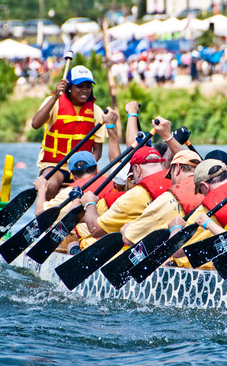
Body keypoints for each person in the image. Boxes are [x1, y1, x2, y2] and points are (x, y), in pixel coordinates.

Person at [31, 65, 114, 200]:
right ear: (69, 87)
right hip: (55, 166)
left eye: (88, 86)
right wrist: (54, 97)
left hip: (83, 167)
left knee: (104, 187)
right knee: (50, 185)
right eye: (80, 86)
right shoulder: (54, 102)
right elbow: (35, 124)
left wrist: (85, 167)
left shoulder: (96, 111)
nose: (85, 90)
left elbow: (97, 151)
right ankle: (46, 216)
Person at [81, 144, 171, 239]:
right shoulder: (174, 183)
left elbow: (95, 230)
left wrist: (89, 204)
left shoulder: (133, 196)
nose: (133, 180)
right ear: (162, 165)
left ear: (138, 169)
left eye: (132, 175)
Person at [33, 151, 113, 254]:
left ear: (72, 175)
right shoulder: (114, 184)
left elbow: (40, 215)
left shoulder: (70, 192)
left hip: (92, 243)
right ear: (96, 168)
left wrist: (42, 189)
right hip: (114, 239)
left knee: (59, 226)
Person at [121, 150, 203, 246]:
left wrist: (126, 231)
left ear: (177, 168)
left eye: (170, 175)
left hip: (180, 257)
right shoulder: (208, 188)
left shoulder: (169, 198)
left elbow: (129, 238)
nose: (172, 182)